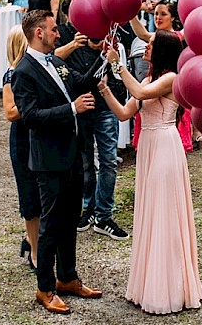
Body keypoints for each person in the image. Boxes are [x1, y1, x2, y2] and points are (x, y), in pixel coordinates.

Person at [100, 32, 202, 314]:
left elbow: (142, 94)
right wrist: (105, 91)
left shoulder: (170, 78)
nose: (146, 46)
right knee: (149, 211)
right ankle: (149, 283)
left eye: (151, 44)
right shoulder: (147, 79)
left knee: (164, 212)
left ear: (162, 52)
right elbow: (125, 112)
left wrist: (117, 64)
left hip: (165, 144)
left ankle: (168, 288)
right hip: (148, 145)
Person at [11, 10, 103, 315]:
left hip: (72, 152)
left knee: (69, 220)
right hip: (48, 160)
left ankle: (67, 277)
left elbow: (81, 82)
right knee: (50, 226)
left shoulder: (56, 62)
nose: (58, 34)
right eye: (53, 30)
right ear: (38, 32)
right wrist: (71, 109)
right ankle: (44, 288)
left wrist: (105, 60)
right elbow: (31, 116)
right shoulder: (23, 71)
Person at [56, 21, 130, 241]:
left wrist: (111, 56)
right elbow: (67, 71)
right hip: (82, 106)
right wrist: (78, 45)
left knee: (108, 160)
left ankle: (103, 215)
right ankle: (88, 208)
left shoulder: (111, 36)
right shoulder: (66, 37)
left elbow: (119, 73)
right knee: (86, 161)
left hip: (106, 107)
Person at [128, 1, 193, 152]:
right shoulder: (154, 37)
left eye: (163, 14)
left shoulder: (176, 37)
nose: (158, 17)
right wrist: (130, 14)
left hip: (169, 88)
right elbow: (142, 34)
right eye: (156, 14)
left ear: (172, 18)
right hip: (154, 87)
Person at [1, 25, 40, 273]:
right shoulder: (12, 75)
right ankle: (34, 251)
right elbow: (10, 112)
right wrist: (34, 105)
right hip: (23, 139)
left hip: (40, 135)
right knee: (29, 193)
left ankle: (31, 240)